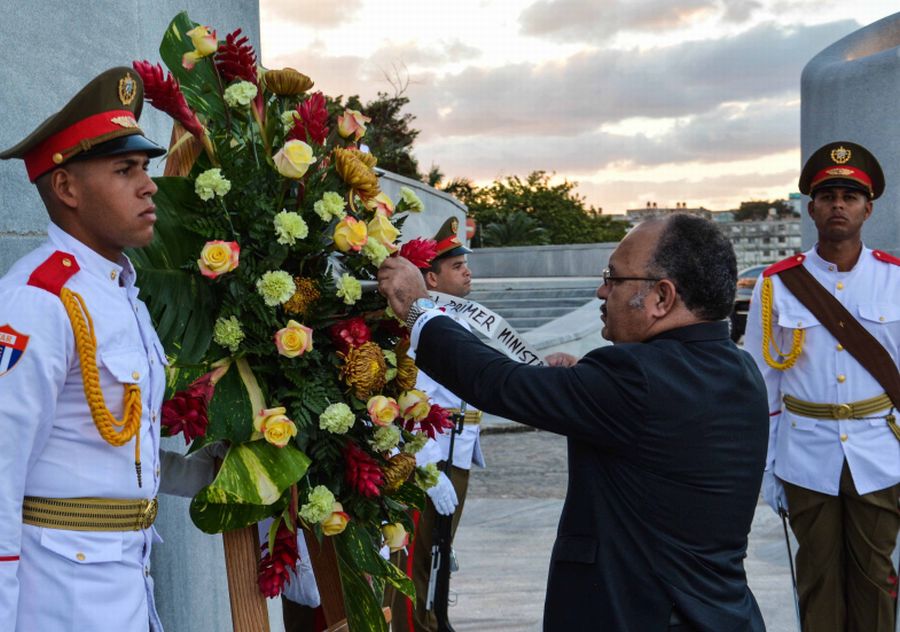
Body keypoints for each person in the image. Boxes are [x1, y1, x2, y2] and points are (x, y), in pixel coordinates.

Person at [378, 214, 768, 631]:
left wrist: (419, 310)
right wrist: (582, 381)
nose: (601, 291)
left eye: (613, 279)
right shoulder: (739, 370)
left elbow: (499, 383)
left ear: (662, 297)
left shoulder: (634, 378)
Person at [0, 67, 219, 632]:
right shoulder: (38, 302)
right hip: (59, 602)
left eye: (145, 168)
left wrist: (203, 474)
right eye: (125, 170)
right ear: (67, 189)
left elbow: (110, 449)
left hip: (124, 583)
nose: (148, 186)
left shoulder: (119, 291)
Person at [744, 141, 900, 632]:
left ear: (867, 208)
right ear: (810, 206)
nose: (838, 204)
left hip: (879, 450)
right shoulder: (777, 284)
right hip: (805, 453)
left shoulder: (895, 279)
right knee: (815, 577)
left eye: (849, 196)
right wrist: (766, 465)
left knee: (876, 576)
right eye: (827, 195)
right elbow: (761, 384)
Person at [390, 217, 485, 632]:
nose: (467, 271)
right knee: (416, 564)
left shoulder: (459, 319)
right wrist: (425, 469)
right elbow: (412, 403)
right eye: (455, 266)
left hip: (456, 454)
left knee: (439, 558)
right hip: (433, 460)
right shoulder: (420, 330)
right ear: (429, 277)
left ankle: (434, 621)